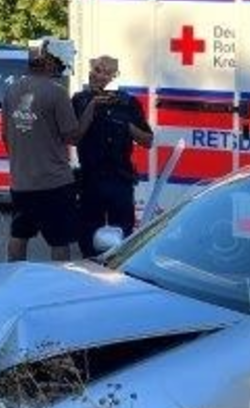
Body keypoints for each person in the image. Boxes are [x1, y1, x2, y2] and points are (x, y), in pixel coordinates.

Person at [1, 37, 97, 262]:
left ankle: (13, 279)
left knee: (19, 233)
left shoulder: (12, 91)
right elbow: (72, 137)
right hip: (54, 183)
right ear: (50, 62)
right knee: (59, 240)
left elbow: (5, 135)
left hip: (21, 182)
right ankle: (58, 284)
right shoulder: (56, 93)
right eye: (61, 61)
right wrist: (90, 111)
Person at [71, 55, 153, 258]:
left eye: (106, 72)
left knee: (123, 236)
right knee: (87, 236)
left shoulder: (128, 102)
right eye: (97, 69)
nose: (99, 75)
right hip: (91, 178)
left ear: (114, 77)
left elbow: (148, 141)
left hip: (120, 177)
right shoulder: (79, 100)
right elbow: (74, 138)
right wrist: (92, 106)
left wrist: (124, 125)